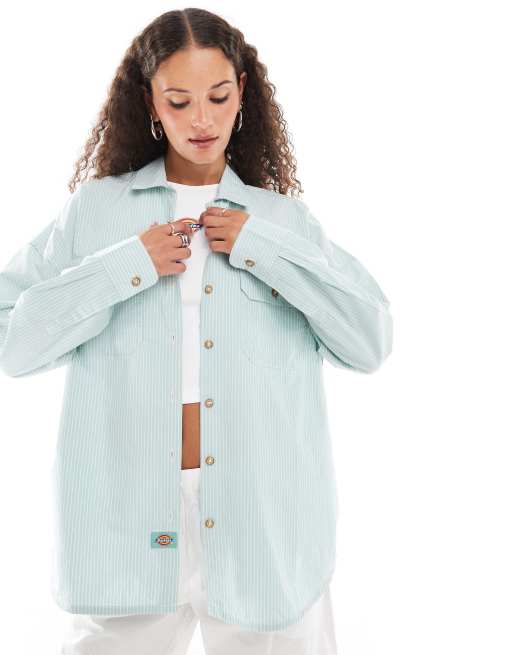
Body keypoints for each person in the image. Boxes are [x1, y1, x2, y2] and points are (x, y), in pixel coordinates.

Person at [0, 8, 393, 654]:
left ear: (243, 92)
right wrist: (126, 265)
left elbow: (369, 340)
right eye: (179, 101)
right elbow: (12, 344)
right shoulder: (95, 213)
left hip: (264, 524)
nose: (202, 120)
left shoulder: (281, 222)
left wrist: (263, 249)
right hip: (123, 524)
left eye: (217, 96)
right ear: (150, 103)